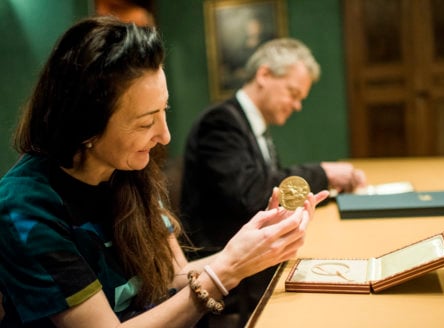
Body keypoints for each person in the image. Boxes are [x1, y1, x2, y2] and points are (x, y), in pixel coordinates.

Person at [0, 16, 329, 327]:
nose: (164, 136)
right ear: (86, 126)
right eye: (146, 122)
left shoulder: (129, 168)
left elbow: (171, 277)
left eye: (164, 111)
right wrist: (227, 271)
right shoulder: (27, 207)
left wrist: (256, 249)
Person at [180, 37, 367, 324]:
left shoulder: (253, 124)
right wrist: (325, 172)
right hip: (220, 258)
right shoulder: (220, 123)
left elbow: (269, 183)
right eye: (293, 93)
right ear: (264, 75)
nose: (297, 105)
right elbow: (251, 192)